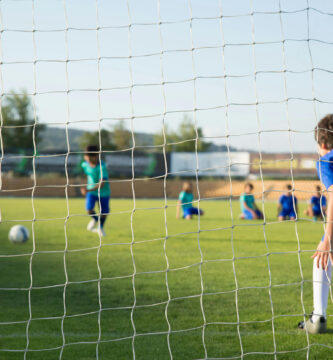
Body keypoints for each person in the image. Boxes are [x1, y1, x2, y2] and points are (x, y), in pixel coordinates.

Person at [298, 114, 333, 334]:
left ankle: (318, 316)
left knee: (322, 255)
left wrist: (328, 239)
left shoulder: (325, 161)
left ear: (321, 143)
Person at [80, 145, 111, 237]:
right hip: (92, 192)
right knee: (89, 209)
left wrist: (88, 189)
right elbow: (87, 174)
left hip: (103, 192)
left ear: (96, 156)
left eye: (89, 157)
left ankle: (100, 227)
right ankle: (96, 220)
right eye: (86, 156)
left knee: (104, 212)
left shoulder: (102, 166)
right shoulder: (84, 164)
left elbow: (102, 184)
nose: (87, 158)